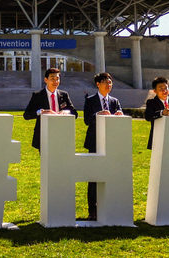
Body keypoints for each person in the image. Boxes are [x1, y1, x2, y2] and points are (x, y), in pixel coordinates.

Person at [82, 72, 124, 221]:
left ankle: (110, 207)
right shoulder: (90, 100)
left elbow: (120, 120)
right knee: (93, 177)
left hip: (111, 143)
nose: (109, 85)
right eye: (105, 82)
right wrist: (99, 114)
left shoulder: (115, 101)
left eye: (110, 82)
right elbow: (87, 120)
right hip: (95, 142)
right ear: (98, 84)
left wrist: (119, 114)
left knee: (110, 175)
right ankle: (92, 210)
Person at [23, 68, 77, 152]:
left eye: (57, 79)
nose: (55, 81)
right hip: (44, 135)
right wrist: (41, 112)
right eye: (52, 79)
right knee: (46, 163)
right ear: (46, 80)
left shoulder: (64, 95)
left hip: (61, 134)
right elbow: (26, 115)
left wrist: (66, 111)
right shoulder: (38, 95)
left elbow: (75, 113)